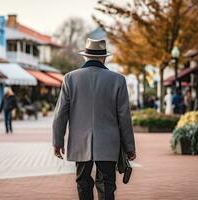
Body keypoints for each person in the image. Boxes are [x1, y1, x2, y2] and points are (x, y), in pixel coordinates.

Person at [52, 38, 136, 200]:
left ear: (85, 56)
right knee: (106, 184)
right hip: (109, 143)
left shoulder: (70, 78)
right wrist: (129, 146)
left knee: (83, 182)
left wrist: (58, 141)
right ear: (104, 57)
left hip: (79, 141)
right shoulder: (118, 80)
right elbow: (124, 117)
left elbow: (60, 114)